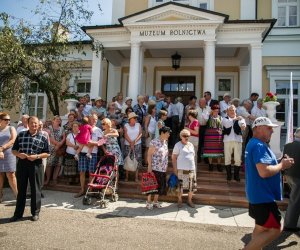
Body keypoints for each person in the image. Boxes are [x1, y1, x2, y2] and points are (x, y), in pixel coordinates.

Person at [244, 117, 294, 249]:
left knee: (260, 229)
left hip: (257, 194)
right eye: (269, 128)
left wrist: (279, 161)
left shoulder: (254, 143)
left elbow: (263, 166)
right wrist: (282, 165)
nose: (272, 131)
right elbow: (264, 172)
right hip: (263, 196)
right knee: (275, 229)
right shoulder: (259, 145)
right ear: (258, 128)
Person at [10, 116, 50, 222]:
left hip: (36, 164)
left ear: (38, 124)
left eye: (36, 123)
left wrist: (36, 156)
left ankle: (35, 213)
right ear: (28, 123)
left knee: (36, 190)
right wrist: (19, 155)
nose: (34, 125)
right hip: (22, 164)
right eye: (32, 123)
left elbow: (47, 153)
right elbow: (13, 150)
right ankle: (18, 214)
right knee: (21, 190)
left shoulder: (43, 137)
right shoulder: (21, 135)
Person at [74, 114, 104, 198]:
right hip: (83, 152)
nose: (94, 121)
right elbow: (78, 137)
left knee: (91, 173)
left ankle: (89, 191)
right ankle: (82, 190)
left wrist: (93, 143)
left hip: (93, 153)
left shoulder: (98, 130)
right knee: (81, 172)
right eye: (92, 119)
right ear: (88, 119)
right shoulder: (83, 127)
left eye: (95, 119)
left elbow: (102, 141)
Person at [146, 126, 171, 210]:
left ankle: (155, 201)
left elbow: (166, 155)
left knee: (160, 186)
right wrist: (149, 166)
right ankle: (148, 202)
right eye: (168, 133)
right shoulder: (154, 142)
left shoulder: (165, 142)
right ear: (163, 133)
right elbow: (149, 154)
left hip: (162, 168)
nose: (169, 135)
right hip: (154, 167)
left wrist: (166, 166)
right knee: (151, 185)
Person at [172, 129, 196, 208]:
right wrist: (175, 169)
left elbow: (193, 156)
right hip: (182, 169)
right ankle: (179, 200)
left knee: (191, 186)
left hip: (191, 168)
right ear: (181, 136)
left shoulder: (191, 145)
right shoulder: (177, 145)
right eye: (184, 136)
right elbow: (174, 158)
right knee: (181, 186)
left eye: (188, 136)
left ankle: (189, 200)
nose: (186, 137)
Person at [282, 127, 300, 232]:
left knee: (295, 199)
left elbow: (284, 160)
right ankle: (290, 225)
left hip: (289, 175)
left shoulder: (287, 145)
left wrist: (284, 174)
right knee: (295, 201)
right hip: (298, 176)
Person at [221, 105, 246, 181]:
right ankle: (229, 175)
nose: (232, 111)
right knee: (227, 158)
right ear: (227, 112)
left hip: (238, 140)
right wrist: (236, 119)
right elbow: (228, 124)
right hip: (227, 140)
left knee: (238, 159)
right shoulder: (224, 119)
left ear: (235, 111)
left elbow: (243, 126)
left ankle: (236, 175)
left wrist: (243, 125)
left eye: (233, 110)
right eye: (230, 110)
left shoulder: (240, 119)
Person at [0, 112, 18, 202]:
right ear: (0, 120)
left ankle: (17, 195)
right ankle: (0, 194)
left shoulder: (11, 128)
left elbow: (13, 140)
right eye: (6, 119)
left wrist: (2, 148)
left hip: (9, 153)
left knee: (11, 175)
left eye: (9, 119)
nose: (8, 121)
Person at [44, 116, 66, 186]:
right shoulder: (49, 127)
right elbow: (48, 137)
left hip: (59, 148)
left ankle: (54, 179)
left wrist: (59, 145)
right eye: (57, 119)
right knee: (49, 164)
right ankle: (48, 179)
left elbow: (64, 137)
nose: (58, 120)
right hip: (51, 148)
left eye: (59, 119)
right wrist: (57, 144)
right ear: (53, 120)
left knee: (58, 164)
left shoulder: (62, 128)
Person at [202, 104, 224, 172]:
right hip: (209, 136)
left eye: (217, 111)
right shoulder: (208, 117)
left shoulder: (221, 118)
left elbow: (223, 127)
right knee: (210, 150)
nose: (216, 112)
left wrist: (221, 131)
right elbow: (204, 117)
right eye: (215, 111)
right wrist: (209, 113)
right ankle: (210, 165)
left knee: (218, 150)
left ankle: (219, 165)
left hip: (218, 137)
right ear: (212, 111)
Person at [123, 112, 142, 182]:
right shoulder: (126, 125)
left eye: (136, 118)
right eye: (134, 118)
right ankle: (127, 177)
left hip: (137, 144)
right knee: (128, 160)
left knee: (137, 160)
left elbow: (140, 134)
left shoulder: (138, 125)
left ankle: (136, 177)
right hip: (128, 144)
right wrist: (131, 142)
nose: (135, 119)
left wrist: (134, 142)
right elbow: (125, 135)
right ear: (130, 119)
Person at [196, 98, 210, 163]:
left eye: (202, 102)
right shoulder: (196, 109)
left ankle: (206, 157)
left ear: (205, 103)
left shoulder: (209, 108)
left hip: (206, 127)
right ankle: (198, 157)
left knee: (206, 143)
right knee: (199, 143)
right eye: (200, 102)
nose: (201, 103)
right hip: (198, 127)